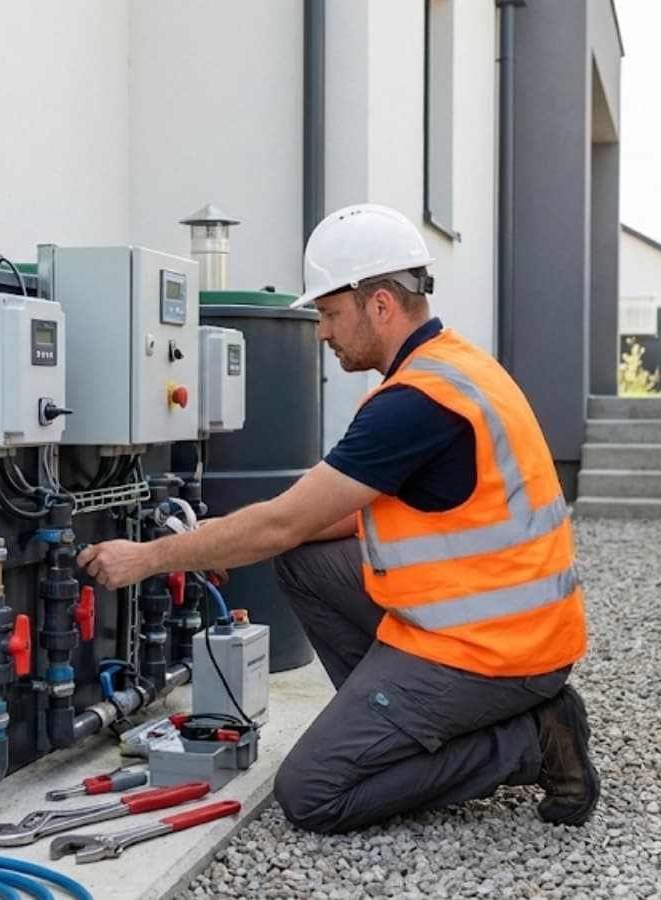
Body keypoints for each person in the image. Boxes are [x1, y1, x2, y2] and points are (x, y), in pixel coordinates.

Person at [78, 203, 598, 834]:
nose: (321, 334)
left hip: (497, 650)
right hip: (498, 622)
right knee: (301, 561)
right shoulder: (456, 366)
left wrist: (149, 558)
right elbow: (313, 523)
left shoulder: (413, 405)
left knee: (313, 793)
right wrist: (221, 541)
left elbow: (283, 521)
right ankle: (394, 727)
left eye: (328, 314)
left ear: (379, 305)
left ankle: (530, 741)